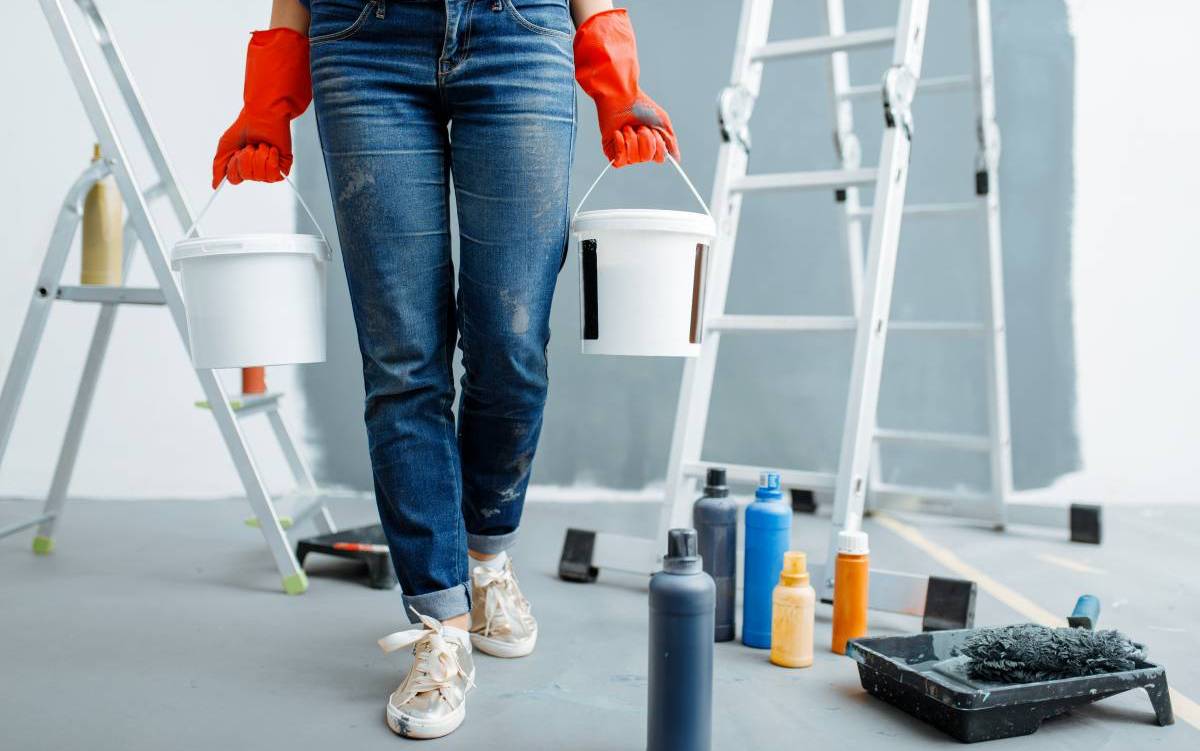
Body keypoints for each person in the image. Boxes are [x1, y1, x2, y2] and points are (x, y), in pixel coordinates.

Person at [212, 0, 678, 740]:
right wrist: (268, 88)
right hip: (363, 43)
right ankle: (441, 622)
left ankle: (486, 557)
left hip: (516, 30)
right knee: (403, 359)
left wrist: (612, 63)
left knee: (511, 343)